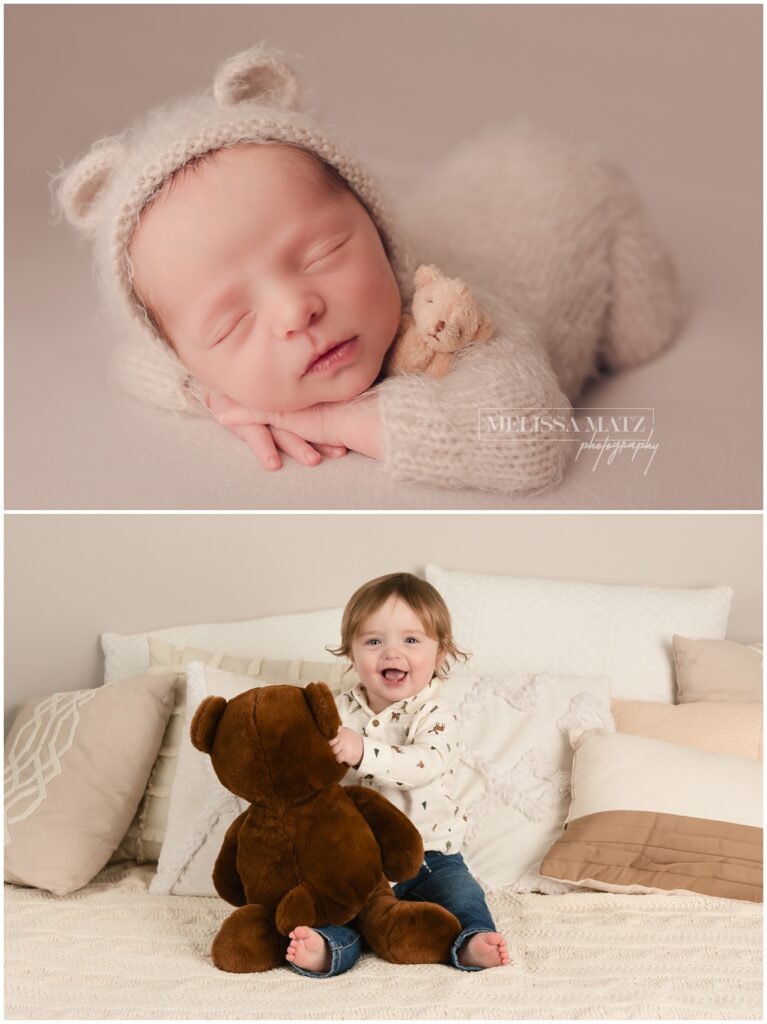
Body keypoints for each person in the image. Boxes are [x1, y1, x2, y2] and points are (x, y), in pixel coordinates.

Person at [53, 43, 683, 496]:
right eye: (230, 323)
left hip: (572, 196)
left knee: (643, 337)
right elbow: (132, 362)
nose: (296, 311)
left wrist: (318, 417)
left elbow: (532, 439)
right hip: (487, 181)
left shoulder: (453, 320)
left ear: (380, 232)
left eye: (321, 254)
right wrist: (219, 396)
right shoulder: (183, 354)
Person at [285, 571, 510, 977]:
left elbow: (424, 764)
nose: (391, 653)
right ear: (351, 654)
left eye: (410, 640)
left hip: (432, 855)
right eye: (373, 641)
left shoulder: (436, 714)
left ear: (440, 654)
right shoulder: (337, 711)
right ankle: (327, 947)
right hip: (354, 860)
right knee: (334, 908)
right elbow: (309, 769)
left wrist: (361, 751)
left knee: (462, 895)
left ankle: (473, 939)